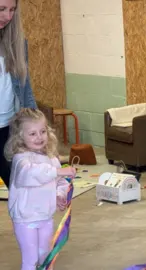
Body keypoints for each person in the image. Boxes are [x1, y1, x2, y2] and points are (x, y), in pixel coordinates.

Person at [4, 108, 76, 270]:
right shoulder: (20, 159)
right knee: (31, 259)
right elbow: (29, 175)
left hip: (45, 217)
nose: (39, 137)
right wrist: (58, 171)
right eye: (32, 133)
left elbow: (60, 182)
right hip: (25, 219)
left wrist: (59, 195)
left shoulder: (51, 158)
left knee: (46, 258)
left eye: (42, 131)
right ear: (20, 136)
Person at [0, 0, 37, 190]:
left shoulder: (18, 43)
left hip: (9, 128)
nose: (7, 16)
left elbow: (25, 87)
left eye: (12, 10)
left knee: (21, 189)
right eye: (1, 9)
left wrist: (36, 122)